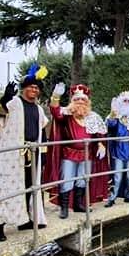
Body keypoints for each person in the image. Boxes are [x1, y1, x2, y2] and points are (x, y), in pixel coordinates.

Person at [0, 63, 50, 242]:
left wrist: (42, 154)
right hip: (13, 154)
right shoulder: (13, 103)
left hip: (32, 152)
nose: (33, 90)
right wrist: (5, 97)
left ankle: (23, 220)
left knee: (29, 187)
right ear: (24, 88)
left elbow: (41, 131)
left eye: (36, 88)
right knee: (7, 188)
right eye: (30, 87)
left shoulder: (38, 109)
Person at [46, 83, 108, 218]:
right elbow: (55, 112)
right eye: (77, 99)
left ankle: (78, 204)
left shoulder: (93, 117)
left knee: (82, 180)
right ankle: (64, 207)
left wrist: (101, 144)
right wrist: (56, 97)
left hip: (87, 155)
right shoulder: (67, 115)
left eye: (83, 100)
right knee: (67, 180)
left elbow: (100, 134)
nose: (80, 102)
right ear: (72, 101)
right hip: (69, 154)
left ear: (87, 103)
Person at [104, 97, 129, 207]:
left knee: (128, 176)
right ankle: (112, 198)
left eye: (128, 101)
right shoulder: (115, 116)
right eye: (124, 101)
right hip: (118, 148)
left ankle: (128, 195)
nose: (126, 103)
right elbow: (110, 125)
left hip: (128, 148)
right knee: (117, 176)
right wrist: (113, 113)